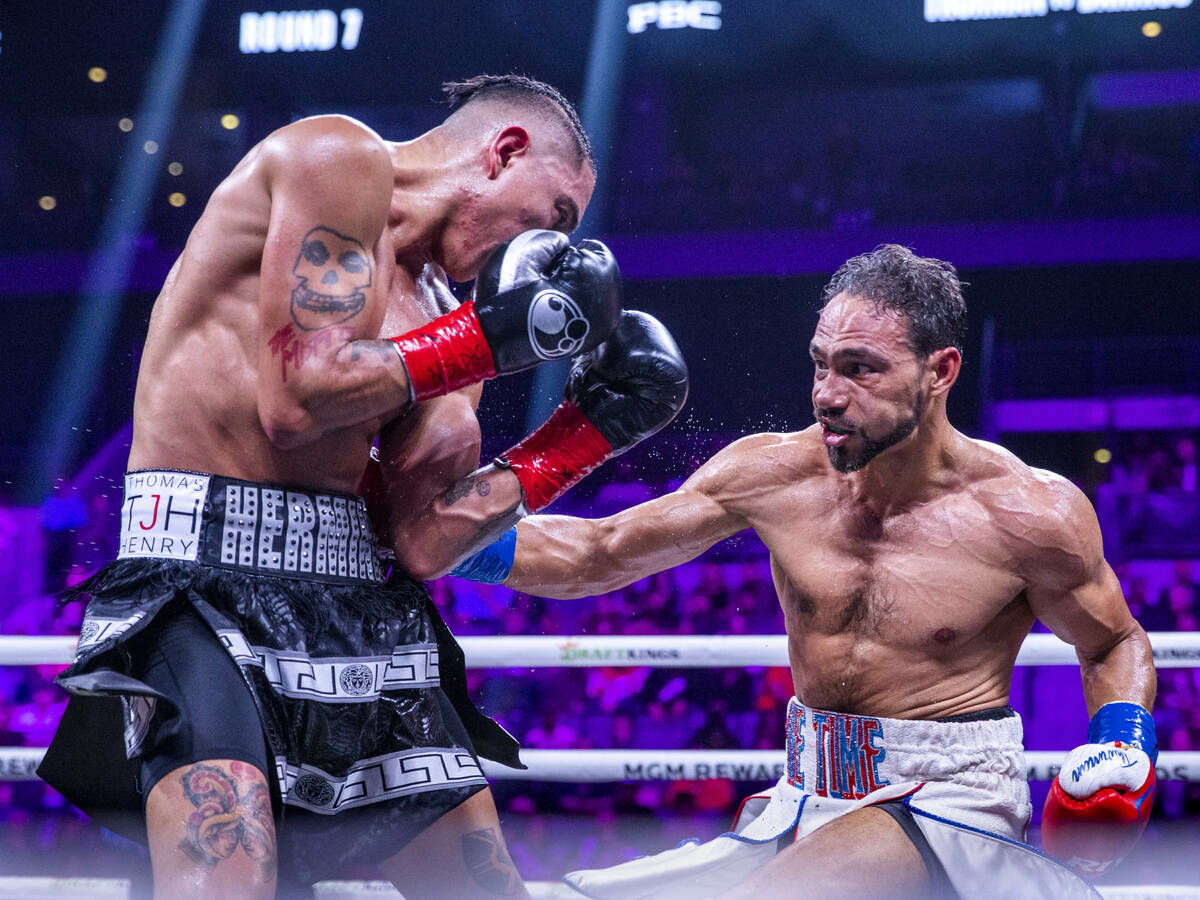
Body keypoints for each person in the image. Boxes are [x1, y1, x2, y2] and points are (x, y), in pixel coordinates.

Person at [38, 73, 687, 899]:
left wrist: (583, 436)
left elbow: (422, 540)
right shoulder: (338, 158)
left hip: (357, 615)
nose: (549, 248)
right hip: (200, 593)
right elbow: (298, 398)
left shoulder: (447, 317)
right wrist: (496, 336)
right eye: (554, 214)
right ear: (505, 153)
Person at [455, 245, 1158, 899]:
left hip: (951, 803)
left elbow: (1113, 641)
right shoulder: (773, 473)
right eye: (820, 364)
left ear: (940, 371)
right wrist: (452, 539)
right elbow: (599, 552)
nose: (827, 393)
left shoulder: (1027, 513)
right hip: (805, 796)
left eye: (859, 368)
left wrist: (1126, 739)